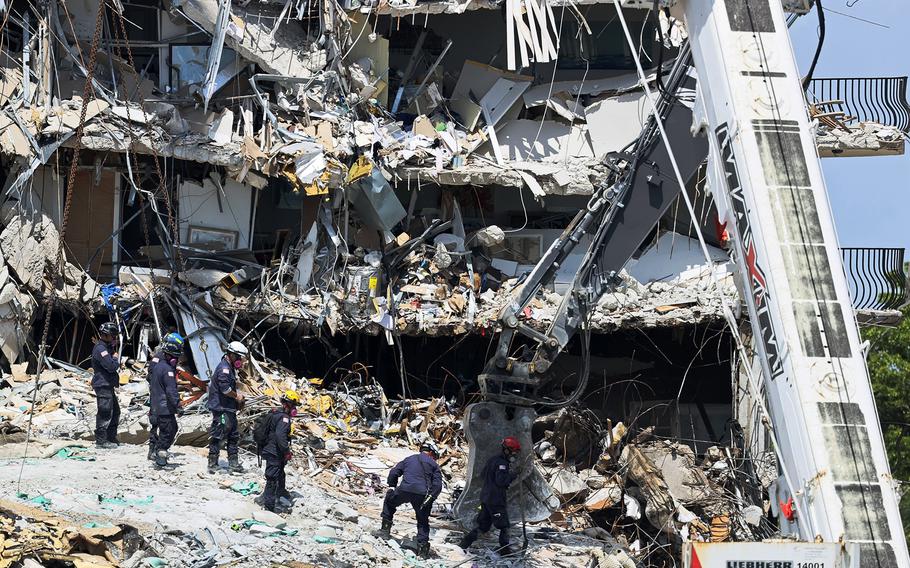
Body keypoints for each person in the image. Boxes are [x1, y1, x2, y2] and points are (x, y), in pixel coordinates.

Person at [372, 441, 442, 558]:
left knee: (389, 502)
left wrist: (392, 486)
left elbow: (394, 472)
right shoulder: (434, 465)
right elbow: (438, 485)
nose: (434, 458)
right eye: (434, 456)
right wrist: (431, 497)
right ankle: (422, 550)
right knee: (423, 520)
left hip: (404, 490)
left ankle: (384, 531)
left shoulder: (409, 459)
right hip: (422, 494)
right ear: (430, 453)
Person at [458, 436, 522, 556]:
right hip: (496, 501)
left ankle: (463, 544)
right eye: (514, 451)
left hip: (486, 499)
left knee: (483, 526)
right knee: (504, 526)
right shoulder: (502, 464)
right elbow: (501, 481)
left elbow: (483, 476)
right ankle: (505, 551)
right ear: (507, 450)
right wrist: (513, 475)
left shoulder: (493, 460)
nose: (515, 454)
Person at [207, 341, 248, 474]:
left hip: (228, 407)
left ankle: (233, 463)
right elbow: (225, 389)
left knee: (233, 435)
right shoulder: (224, 369)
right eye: (239, 358)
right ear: (232, 355)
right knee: (218, 434)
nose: (240, 361)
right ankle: (212, 463)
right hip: (221, 408)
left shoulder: (230, 368)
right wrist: (237, 397)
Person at [258, 390, 301, 512]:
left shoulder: (276, 414)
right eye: (294, 406)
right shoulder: (284, 418)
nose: (295, 409)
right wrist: (286, 451)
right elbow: (280, 436)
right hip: (274, 452)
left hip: (271, 450)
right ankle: (269, 507)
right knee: (272, 478)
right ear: (289, 405)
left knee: (280, 473)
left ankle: (281, 493)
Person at [148, 333, 185, 468]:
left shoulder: (159, 365)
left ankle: (157, 451)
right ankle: (160, 454)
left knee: (170, 428)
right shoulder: (168, 370)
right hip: (164, 407)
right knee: (167, 431)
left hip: (157, 404)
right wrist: (178, 406)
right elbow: (171, 390)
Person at [92, 321, 122, 449]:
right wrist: (115, 358)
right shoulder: (101, 349)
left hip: (107, 384)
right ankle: (101, 440)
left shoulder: (105, 347)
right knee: (105, 412)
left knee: (115, 411)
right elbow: (110, 366)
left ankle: (111, 437)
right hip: (103, 383)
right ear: (105, 335)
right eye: (112, 336)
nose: (114, 339)